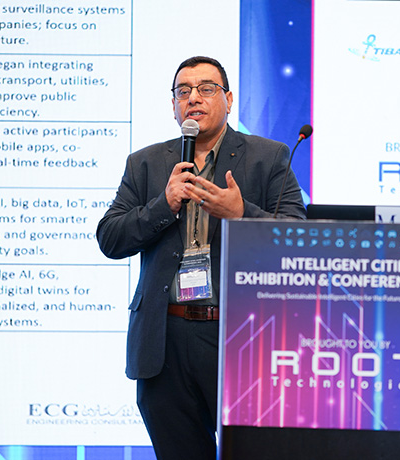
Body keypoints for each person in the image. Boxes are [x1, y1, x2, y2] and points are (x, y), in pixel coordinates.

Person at [96, 56, 306, 459]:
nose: (193, 98)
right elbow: (110, 238)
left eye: (207, 89)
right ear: (173, 105)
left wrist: (241, 214)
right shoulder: (146, 163)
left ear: (229, 99)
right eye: (183, 91)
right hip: (166, 340)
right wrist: (163, 205)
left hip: (241, 337)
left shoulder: (267, 157)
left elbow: (297, 238)